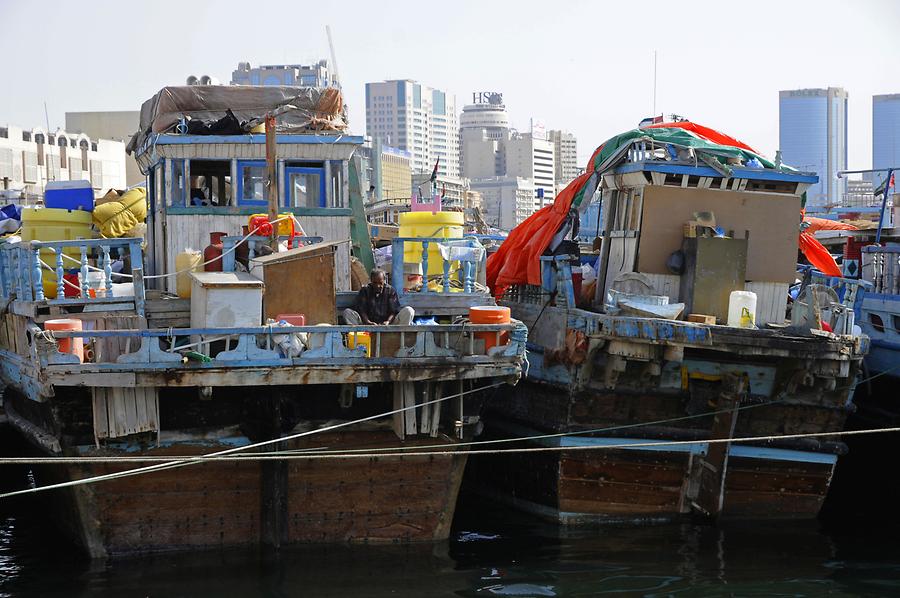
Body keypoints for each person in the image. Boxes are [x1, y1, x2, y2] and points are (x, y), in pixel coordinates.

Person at [343, 269, 414, 325]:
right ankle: (359, 339)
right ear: (371, 281)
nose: (378, 286)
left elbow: (394, 312)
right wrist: (368, 322)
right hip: (367, 325)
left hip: (388, 326)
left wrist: (388, 322)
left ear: (384, 281)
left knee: (409, 310)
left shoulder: (390, 290)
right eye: (375, 283)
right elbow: (361, 310)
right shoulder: (365, 290)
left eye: (380, 283)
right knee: (347, 312)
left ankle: (399, 338)